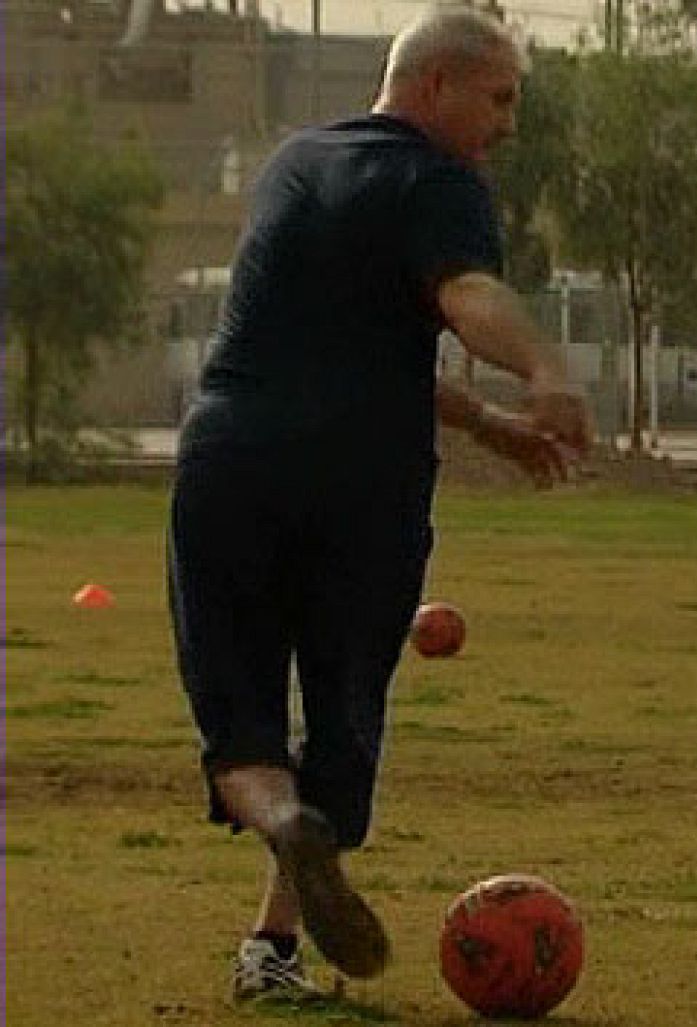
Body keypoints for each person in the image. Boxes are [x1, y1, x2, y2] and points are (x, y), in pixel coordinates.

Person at [166, 9, 591, 1002]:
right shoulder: (437, 181)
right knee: (344, 710)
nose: (506, 126)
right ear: (437, 85)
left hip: (227, 460)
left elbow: (343, 340)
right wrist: (543, 368)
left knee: (239, 717)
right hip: (362, 483)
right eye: (500, 99)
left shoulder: (292, 165)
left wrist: (488, 425)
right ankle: (276, 931)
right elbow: (467, 293)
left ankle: (279, 834)